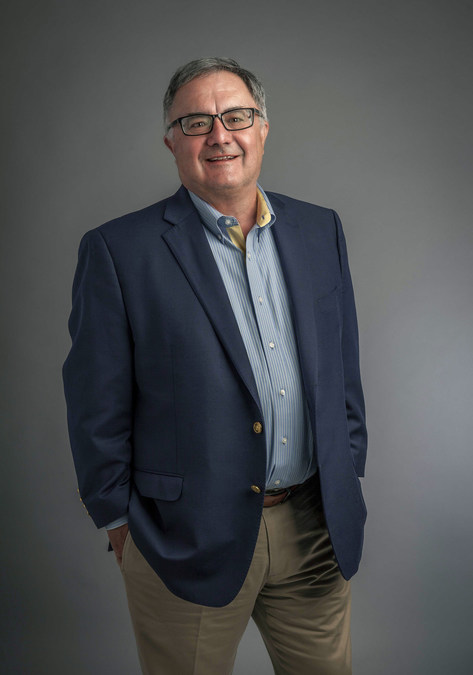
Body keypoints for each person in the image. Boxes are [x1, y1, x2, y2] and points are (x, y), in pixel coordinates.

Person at [63, 57, 367, 675]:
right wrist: (120, 522)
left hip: (314, 526)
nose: (220, 135)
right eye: (197, 122)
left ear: (263, 128)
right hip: (185, 536)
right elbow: (95, 402)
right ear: (171, 141)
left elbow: (343, 369)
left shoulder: (318, 229)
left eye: (236, 116)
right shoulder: (120, 252)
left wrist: (347, 468)